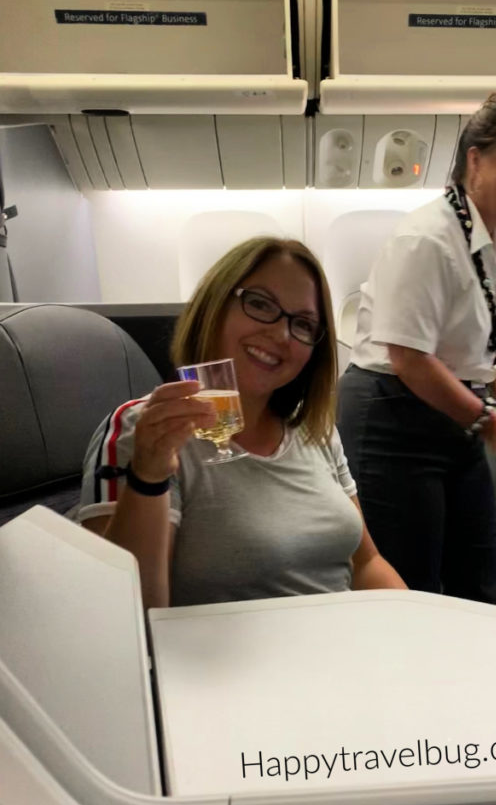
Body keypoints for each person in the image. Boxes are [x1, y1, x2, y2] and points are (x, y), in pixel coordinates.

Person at [78, 237, 405, 609]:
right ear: (215, 306)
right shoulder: (146, 430)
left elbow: (366, 563)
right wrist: (148, 476)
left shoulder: (315, 430)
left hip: (345, 646)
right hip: (230, 663)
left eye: (303, 324)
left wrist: (417, 627)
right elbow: (130, 613)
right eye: (261, 304)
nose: (281, 334)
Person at [337, 91, 496, 604]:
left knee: (479, 579)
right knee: (409, 586)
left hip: (455, 414)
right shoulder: (427, 239)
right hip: (392, 417)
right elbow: (410, 358)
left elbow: (492, 345)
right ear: (476, 158)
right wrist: (488, 422)